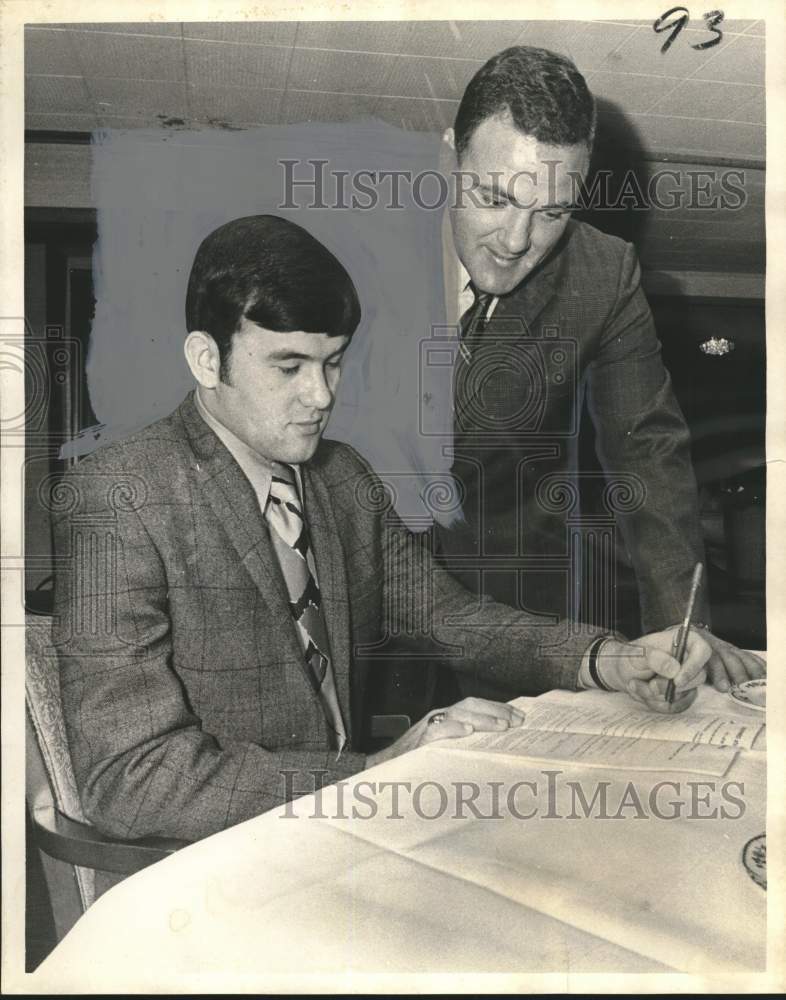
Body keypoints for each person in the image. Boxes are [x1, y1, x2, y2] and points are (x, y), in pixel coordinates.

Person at [52, 214, 709, 847]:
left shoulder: (341, 478)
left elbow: (449, 617)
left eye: (332, 362)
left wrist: (605, 659)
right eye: (288, 367)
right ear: (206, 359)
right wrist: (371, 772)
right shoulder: (119, 498)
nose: (321, 395)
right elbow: (128, 780)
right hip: (214, 862)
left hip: (341, 833)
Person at [433, 45, 764, 699]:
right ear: (448, 158)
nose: (517, 240)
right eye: (494, 198)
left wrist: (679, 626)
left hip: (519, 611)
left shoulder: (601, 275)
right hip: (354, 602)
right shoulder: (348, 251)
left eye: (553, 212)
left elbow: (649, 454)